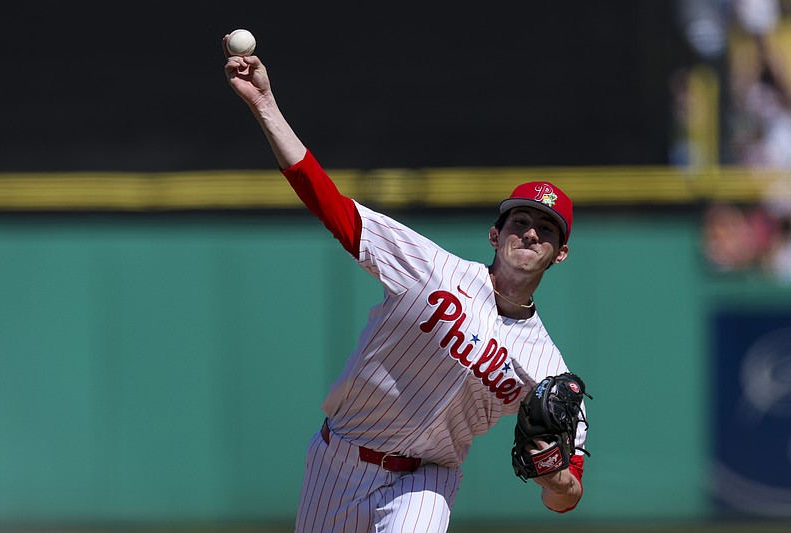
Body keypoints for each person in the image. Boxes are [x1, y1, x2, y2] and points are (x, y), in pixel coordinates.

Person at [223, 34, 589, 533]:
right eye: (520, 221)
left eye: (545, 229)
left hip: (426, 481)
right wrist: (265, 104)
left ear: (559, 253)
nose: (530, 232)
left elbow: (567, 497)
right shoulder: (431, 269)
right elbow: (332, 206)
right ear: (494, 233)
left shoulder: (547, 370)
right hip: (339, 460)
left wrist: (554, 477)